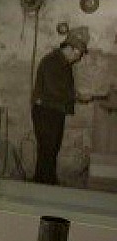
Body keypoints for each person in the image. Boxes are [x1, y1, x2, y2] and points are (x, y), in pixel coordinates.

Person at [31, 26, 92, 185]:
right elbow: (54, 89)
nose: (78, 58)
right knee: (48, 150)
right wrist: (78, 97)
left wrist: (77, 95)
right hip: (46, 111)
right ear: (70, 48)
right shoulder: (52, 61)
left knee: (51, 150)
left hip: (55, 110)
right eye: (78, 53)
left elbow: (63, 89)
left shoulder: (63, 63)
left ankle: (46, 182)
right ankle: (44, 184)